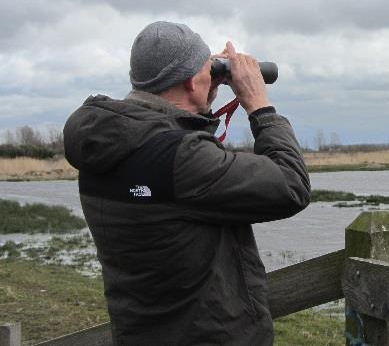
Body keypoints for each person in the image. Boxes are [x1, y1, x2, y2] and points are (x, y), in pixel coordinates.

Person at [64, 21, 311, 346]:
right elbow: (291, 184)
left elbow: (175, 169)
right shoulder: (181, 158)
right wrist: (260, 107)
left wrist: (201, 89)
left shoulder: (104, 146)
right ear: (193, 82)